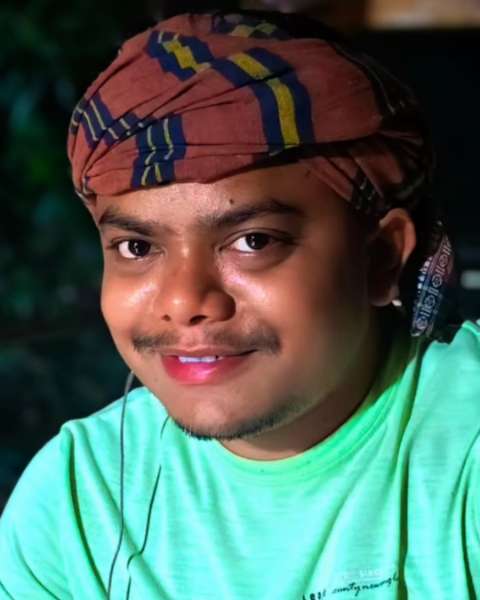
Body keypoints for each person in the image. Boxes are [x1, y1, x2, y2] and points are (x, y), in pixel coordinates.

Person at [1, 9, 479, 599]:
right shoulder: (79, 499)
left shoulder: (465, 450)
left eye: (253, 241)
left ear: (381, 259)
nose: (184, 301)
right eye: (137, 247)